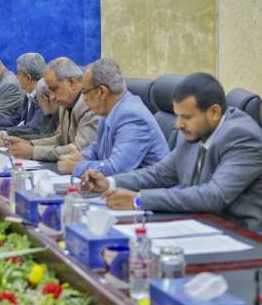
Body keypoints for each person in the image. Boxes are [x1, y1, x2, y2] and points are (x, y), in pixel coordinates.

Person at [82, 72, 262, 231]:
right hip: (196, 224)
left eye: (186, 117)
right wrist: (109, 183)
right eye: (178, 116)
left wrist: (139, 200)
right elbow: (160, 174)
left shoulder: (242, 137)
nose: (178, 125)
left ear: (214, 112)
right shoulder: (194, 130)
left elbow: (213, 196)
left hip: (240, 236)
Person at [58, 58, 169, 175]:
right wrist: (82, 157)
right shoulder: (108, 109)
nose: (84, 98)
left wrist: (77, 167)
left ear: (102, 92)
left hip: (147, 186)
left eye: (85, 92)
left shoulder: (132, 116)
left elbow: (117, 169)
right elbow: (97, 148)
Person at [5, 57, 98, 162]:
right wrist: (30, 144)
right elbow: (60, 138)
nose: (52, 97)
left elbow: (79, 150)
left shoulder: (89, 105)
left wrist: (34, 152)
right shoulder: (65, 102)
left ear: (71, 82)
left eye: (54, 89)